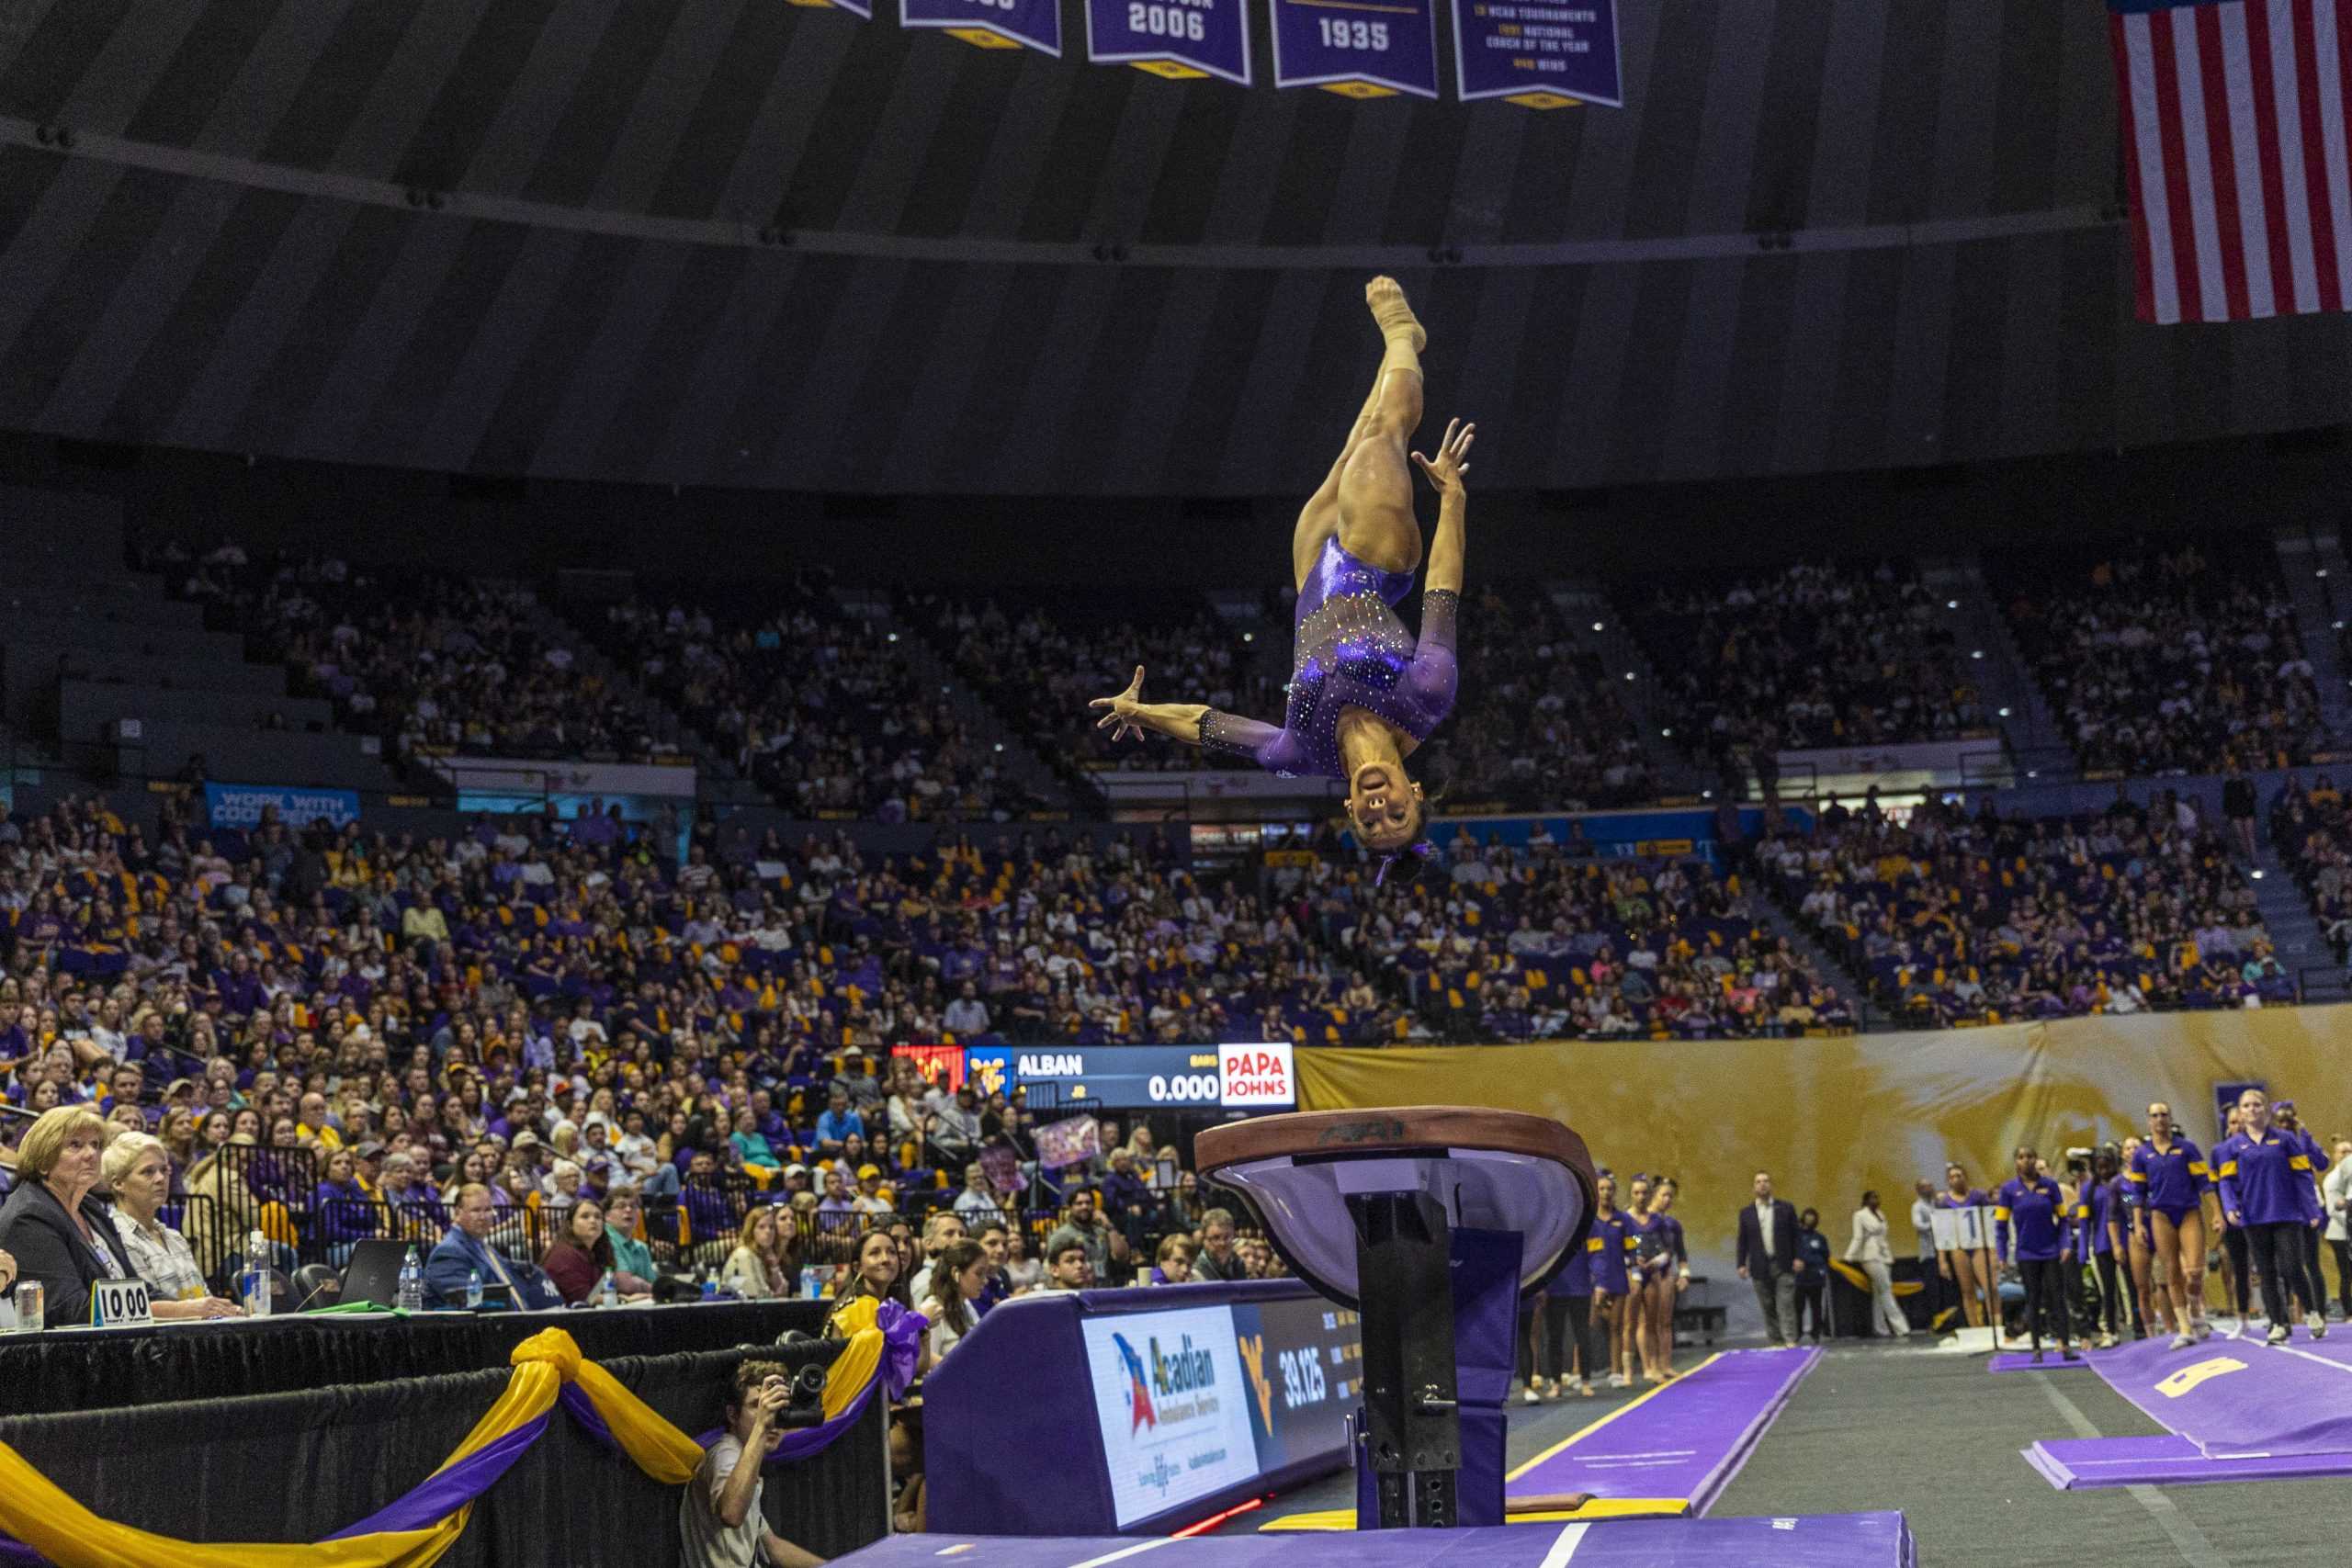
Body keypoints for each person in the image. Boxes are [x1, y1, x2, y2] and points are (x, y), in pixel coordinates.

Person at [1091, 279, 1470, 876]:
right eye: (1396, 814)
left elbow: (1206, 726)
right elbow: (1442, 592)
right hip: (1379, 560)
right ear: (1415, 794)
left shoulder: (1302, 751)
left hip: (1313, 567)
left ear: (1349, 808)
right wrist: (1451, 500)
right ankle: (1402, 331)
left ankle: (1399, 349)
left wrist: (1141, 712)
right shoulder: (1424, 697)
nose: (1379, 808)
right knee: (1381, 437)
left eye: (1369, 822)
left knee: (1356, 443)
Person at [678, 1359, 824, 1568]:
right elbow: (731, 1513)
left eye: (777, 1406)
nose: (771, 1417)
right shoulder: (726, 1453)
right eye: (758, 1406)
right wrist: (761, 1428)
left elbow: (774, 1549)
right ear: (732, 1415)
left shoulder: (745, 1460)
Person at [2213, 1088, 2327, 1343]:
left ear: (2265, 1109)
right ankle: (2277, 1323)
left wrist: (2311, 1209)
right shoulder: (2231, 1147)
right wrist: (2230, 1207)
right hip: (2253, 1218)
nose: (2252, 1109)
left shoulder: (2285, 1139)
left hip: (2287, 1214)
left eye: (2257, 1105)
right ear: (2240, 1113)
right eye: (2246, 1106)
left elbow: (2302, 1175)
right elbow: (2226, 1182)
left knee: (2292, 1267)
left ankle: (2312, 1313)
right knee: (2265, 1272)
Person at [101, 1132, 239, 1319]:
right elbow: (141, 1310)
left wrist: (227, 1312)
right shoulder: (116, 1238)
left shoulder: (175, 1237)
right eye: (148, 1172)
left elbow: (203, 1299)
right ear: (118, 1184)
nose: (160, 1179)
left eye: (164, 1170)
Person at [0, 1106, 113, 1326]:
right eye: (75, 1145)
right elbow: (69, 1309)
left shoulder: (91, 1208)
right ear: (43, 1162)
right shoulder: (29, 1216)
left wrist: (189, 1307)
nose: (92, 1154)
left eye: (96, 1145)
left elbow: (133, 1285)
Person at [2128, 1101, 2215, 1348]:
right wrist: (2136, 1224)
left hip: (2188, 1211)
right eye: (2154, 1115)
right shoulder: (2142, 1155)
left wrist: (2217, 1212)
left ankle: (2195, 1305)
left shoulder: (2186, 1148)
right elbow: (2137, 1193)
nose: (2159, 1119)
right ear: (2148, 1121)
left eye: (2164, 1114)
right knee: (2171, 1272)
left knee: (2195, 1271)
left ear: (2170, 1118)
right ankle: (2184, 1327)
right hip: (2160, 1215)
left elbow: (2204, 1183)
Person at [1996, 1145, 2077, 1363]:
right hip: (2026, 1252)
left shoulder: (2050, 1186)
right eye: (2021, 1157)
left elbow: (2063, 1220)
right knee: (2032, 1299)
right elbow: (2001, 1226)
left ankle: (2065, 1344)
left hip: (2050, 1250)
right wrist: (2002, 1254)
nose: (2026, 1161)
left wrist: (2065, 1244)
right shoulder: (2008, 1190)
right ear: (2016, 1162)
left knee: (2058, 1298)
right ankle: (2036, 1348)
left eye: (2030, 1156)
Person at [425, 1182, 553, 1310]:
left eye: (487, 1210)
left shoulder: (483, 1246)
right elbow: (469, 1302)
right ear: (458, 1213)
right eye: (475, 1210)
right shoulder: (448, 1252)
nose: (483, 1217)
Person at [1736, 1170, 1801, 1348]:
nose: (1762, 1184)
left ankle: (1789, 1339)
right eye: (1758, 1182)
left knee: (1785, 1303)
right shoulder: (1746, 1213)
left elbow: (1796, 1235)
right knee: (1767, 1305)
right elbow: (1742, 1240)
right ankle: (1776, 1340)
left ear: (1770, 1185)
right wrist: (1741, 1264)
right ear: (1754, 1187)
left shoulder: (1786, 1208)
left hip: (1783, 1263)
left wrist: (1798, 1257)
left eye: (1765, 1181)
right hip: (1759, 1265)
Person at [1585, 1173, 1636, 1387]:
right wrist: (1593, 1280)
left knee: (1616, 1326)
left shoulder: (1623, 1220)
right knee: (1588, 1326)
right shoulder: (1588, 1220)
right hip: (1592, 1281)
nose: (1605, 1193)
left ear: (1614, 1192)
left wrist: (1633, 1272)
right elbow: (1582, 1252)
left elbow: (1632, 1246)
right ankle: (1580, 1373)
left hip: (1617, 1280)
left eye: (1609, 1189)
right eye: (1602, 1189)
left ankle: (1616, 1372)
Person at [1933, 1165, 1994, 1333]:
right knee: (1967, 1290)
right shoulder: (1944, 1202)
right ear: (1948, 1181)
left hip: (1979, 1245)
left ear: (1965, 1176)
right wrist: (1942, 1259)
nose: (1956, 1179)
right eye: (1952, 1177)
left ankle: (1996, 1324)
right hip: (1958, 1246)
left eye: (1959, 1175)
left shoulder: (1978, 1195)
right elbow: (1942, 1231)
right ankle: (1975, 1328)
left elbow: (1990, 1219)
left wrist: (1993, 1248)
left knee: (1989, 1288)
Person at [1846, 1190, 1907, 1339]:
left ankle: (1881, 1328)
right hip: (1870, 1255)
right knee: (1886, 1288)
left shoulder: (1881, 1214)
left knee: (1879, 1293)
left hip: (1884, 1255)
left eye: (1878, 1197)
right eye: (1873, 1197)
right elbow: (1858, 1237)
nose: (1876, 1200)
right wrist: (1850, 1255)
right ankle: (1901, 1327)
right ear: (1866, 1200)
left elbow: (1883, 1235)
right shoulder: (1859, 1215)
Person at [542, 1196, 624, 1306]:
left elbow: (603, 1292)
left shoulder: (597, 1253)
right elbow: (585, 1298)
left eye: (598, 1217)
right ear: (570, 1224)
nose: (593, 1221)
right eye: (585, 1216)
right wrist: (624, 1299)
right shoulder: (563, 1254)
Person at [917, 1236, 989, 1359]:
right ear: (956, 1272)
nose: (985, 1281)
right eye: (979, 1273)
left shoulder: (966, 1305)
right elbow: (926, 1365)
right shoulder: (932, 1309)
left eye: (985, 1274)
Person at [722, 1207, 791, 1301]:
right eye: (761, 1227)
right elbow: (758, 1295)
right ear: (751, 1231)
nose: (768, 1231)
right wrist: (777, 1295)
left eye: (771, 1227)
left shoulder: (766, 1254)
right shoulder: (744, 1255)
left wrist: (774, 1269)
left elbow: (784, 1291)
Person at [602, 1185, 660, 1297]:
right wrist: (645, 1287)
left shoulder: (641, 1247)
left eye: (633, 1206)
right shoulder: (605, 1241)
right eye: (621, 1206)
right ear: (607, 1216)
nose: (628, 1210)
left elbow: (653, 1285)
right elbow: (625, 1285)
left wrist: (641, 1284)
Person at [1792, 1209, 1832, 1342]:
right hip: (1800, 1279)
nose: (1810, 1221)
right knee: (1798, 1308)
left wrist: (1821, 1269)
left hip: (1816, 1278)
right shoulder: (1796, 1238)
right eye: (1807, 1218)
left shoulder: (1820, 1238)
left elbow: (1826, 1256)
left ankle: (1816, 1333)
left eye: (1812, 1218)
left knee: (1816, 1307)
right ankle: (1797, 1333)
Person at [2326, 1135, 2352, 1321]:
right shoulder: (2332, 1179)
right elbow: (2333, 1209)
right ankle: (2349, 1312)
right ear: (2335, 1156)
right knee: (2346, 1274)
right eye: (2343, 1152)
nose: (2347, 1155)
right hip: (2340, 1233)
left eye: (2350, 1151)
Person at [1192, 1208, 1243, 1281]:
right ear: (1204, 1239)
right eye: (1216, 1238)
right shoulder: (1196, 1273)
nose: (1222, 1243)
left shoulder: (1239, 1264)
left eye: (1227, 1237)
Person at [1035, 1227, 1092, 1292]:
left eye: (1082, 1260)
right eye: (1070, 1261)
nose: (1080, 1265)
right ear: (1055, 1270)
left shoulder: (1092, 1298)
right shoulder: (1044, 1300)